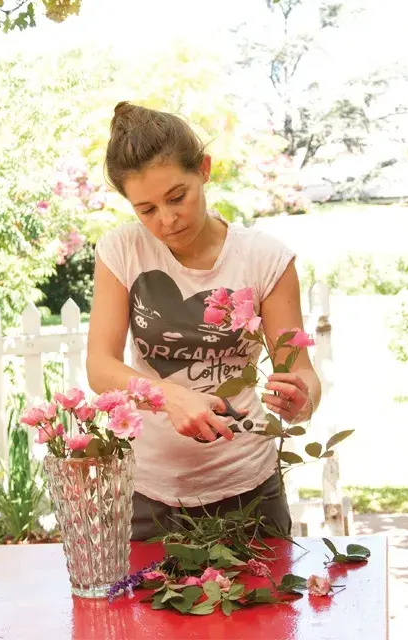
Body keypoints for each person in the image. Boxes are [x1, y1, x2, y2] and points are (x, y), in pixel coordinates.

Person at [86, 101, 322, 540]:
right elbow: (100, 368)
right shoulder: (121, 251)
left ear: (205, 170)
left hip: (249, 491)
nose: (167, 220)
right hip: (148, 494)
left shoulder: (265, 258)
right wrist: (169, 396)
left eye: (177, 197)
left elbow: (300, 372)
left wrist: (300, 398)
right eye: (146, 209)